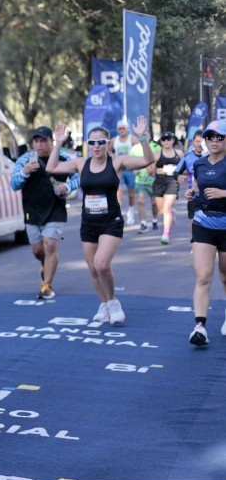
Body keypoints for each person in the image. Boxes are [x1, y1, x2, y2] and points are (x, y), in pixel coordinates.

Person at [46, 117, 155, 326]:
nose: (96, 146)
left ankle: (113, 302)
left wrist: (142, 138)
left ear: (108, 143)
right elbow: (52, 167)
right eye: (92, 142)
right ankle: (104, 304)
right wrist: (58, 142)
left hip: (111, 221)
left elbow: (147, 160)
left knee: (102, 264)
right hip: (89, 222)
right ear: (88, 144)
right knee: (93, 269)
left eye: (101, 142)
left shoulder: (117, 162)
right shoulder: (81, 163)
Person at [10, 126, 80, 299]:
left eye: (43, 141)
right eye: (36, 141)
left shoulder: (62, 158)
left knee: (50, 245)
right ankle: (45, 264)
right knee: (38, 250)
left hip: (55, 209)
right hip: (32, 210)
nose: (39, 145)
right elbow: (14, 184)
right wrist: (25, 172)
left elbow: (78, 177)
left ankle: (46, 285)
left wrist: (67, 187)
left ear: (51, 142)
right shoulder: (25, 159)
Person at [186, 120, 226, 346]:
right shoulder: (199, 163)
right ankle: (199, 326)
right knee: (203, 276)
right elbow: (198, 187)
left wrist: (223, 193)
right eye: (210, 136)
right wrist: (192, 193)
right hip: (203, 223)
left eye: (220, 137)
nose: (214, 141)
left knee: (225, 276)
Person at [153, 131, 183, 244]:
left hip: (173, 182)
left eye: (168, 139)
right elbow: (150, 170)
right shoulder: (157, 154)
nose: (166, 141)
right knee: (162, 210)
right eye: (164, 139)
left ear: (173, 140)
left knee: (166, 208)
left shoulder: (179, 153)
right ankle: (172, 212)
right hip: (159, 182)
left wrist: (181, 176)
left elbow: (184, 167)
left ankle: (165, 234)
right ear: (161, 142)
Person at [109, 119, 140, 225]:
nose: (122, 130)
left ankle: (131, 213)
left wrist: (137, 167)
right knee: (118, 193)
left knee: (131, 195)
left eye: (123, 128)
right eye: (120, 128)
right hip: (119, 170)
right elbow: (108, 150)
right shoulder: (114, 140)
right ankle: (118, 215)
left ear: (127, 129)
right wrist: (113, 156)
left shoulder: (133, 139)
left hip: (130, 170)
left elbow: (141, 150)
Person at [128, 139, 159, 233]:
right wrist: (134, 168)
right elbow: (130, 161)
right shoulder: (135, 148)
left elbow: (159, 161)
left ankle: (154, 220)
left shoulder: (155, 146)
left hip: (153, 180)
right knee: (140, 201)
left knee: (154, 202)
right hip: (140, 180)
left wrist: (153, 168)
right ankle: (143, 224)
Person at [177, 130, 206, 218]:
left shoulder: (211, 157)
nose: (200, 144)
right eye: (197, 141)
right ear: (193, 142)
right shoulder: (188, 157)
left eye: (202, 142)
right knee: (193, 221)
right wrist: (178, 176)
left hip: (209, 196)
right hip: (193, 195)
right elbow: (176, 172)